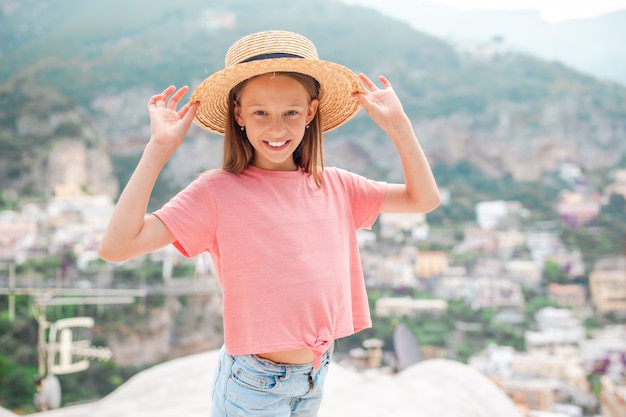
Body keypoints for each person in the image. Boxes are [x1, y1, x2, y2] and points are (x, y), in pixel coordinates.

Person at [98, 30, 440, 417]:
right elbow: (116, 246)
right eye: (260, 112)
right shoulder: (216, 192)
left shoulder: (337, 185)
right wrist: (157, 150)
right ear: (238, 114)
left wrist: (399, 126)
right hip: (253, 385)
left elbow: (423, 199)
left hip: (313, 377)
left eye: (290, 112)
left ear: (311, 113)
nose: (277, 129)